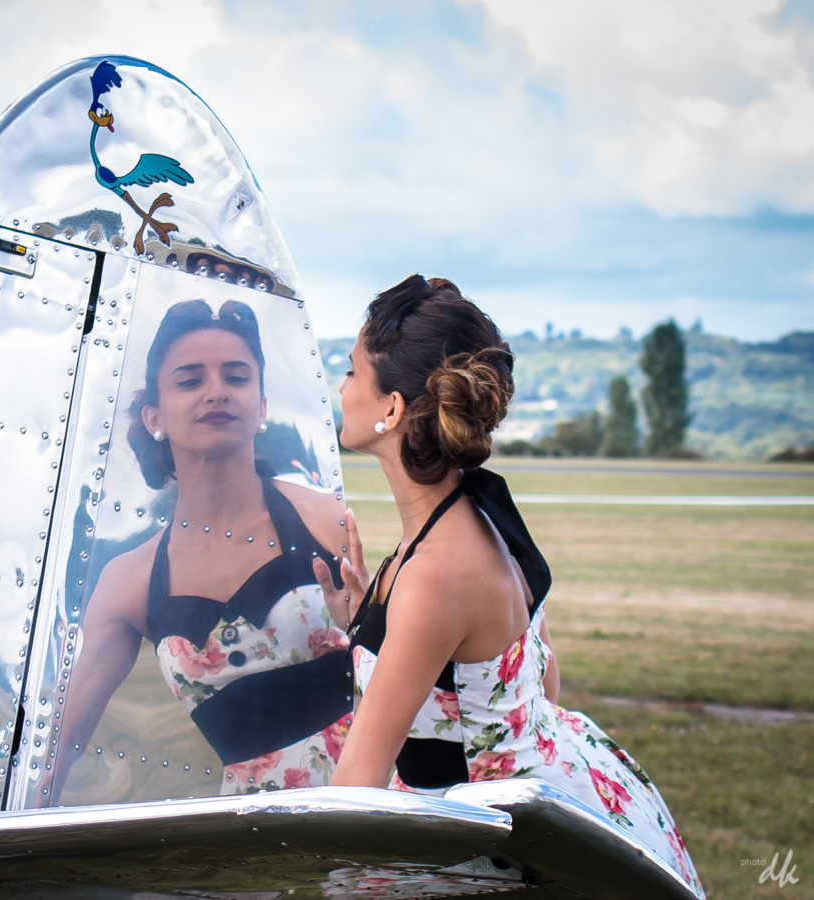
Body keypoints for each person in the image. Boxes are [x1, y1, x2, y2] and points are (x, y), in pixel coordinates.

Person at [315, 275, 702, 891]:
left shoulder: (435, 572)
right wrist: (373, 623)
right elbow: (542, 683)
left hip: (497, 848)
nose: (341, 387)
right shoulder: (484, 513)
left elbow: (355, 790)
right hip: (563, 793)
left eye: (352, 371)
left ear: (391, 409)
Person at [58, 299, 353, 797]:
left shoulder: (328, 521)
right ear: (154, 416)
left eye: (236, 377)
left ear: (261, 406)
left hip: (369, 802)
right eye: (190, 381)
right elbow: (61, 747)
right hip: (250, 831)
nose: (217, 391)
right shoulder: (130, 582)